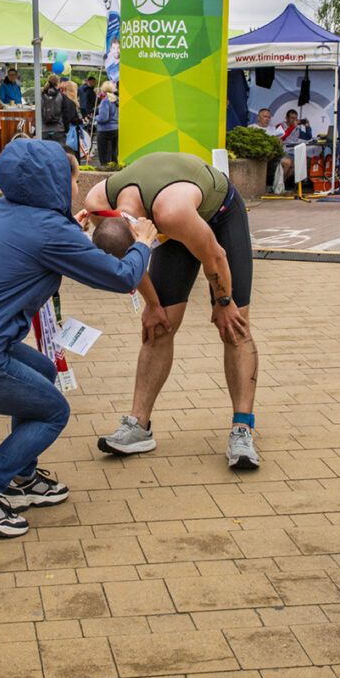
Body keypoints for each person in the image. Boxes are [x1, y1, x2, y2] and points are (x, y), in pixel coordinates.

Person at [0, 139, 156, 536]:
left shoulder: (0, 210)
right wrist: (142, 243)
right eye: (73, 180)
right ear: (57, 183)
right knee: (53, 411)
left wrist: (70, 229)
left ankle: (22, 479)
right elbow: (122, 276)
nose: (75, 188)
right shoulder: (51, 232)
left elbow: (35, 242)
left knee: (42, 371)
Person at [83, 152, 260, 469]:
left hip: (216, 216)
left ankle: (242, 429)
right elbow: (129, 261)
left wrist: (223, 302)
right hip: (167, 222)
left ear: (140, 235)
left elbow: (215, 257)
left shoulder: (172, 213)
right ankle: (138, 426)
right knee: (159, 326)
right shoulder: (98, 204)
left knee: (234, 325)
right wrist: (153, 305)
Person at [59, 78, 86, 160]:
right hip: (71, 131)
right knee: (73, 154)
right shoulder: (71, 102)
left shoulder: (62, 100)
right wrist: (80, 121)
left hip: (65, 130)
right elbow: (71, 118)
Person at [94, 82, 119, 166]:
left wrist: (95, 117)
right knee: (113, 154)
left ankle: (105, 170)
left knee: (104, 156)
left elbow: (103, 118)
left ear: (103, 90)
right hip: (116, 128)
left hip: (105, 130)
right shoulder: (117, 100)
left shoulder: (105, 102)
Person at [39, 74, 67, 147]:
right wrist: (66, 129)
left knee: (44, 152)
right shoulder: (61, 96)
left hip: (44, 130)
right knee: (58, 151)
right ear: (58, 83)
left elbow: (38, 113)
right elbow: (65, 113)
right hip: (58, 129)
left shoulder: (41, 95)